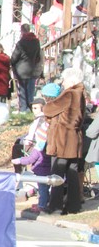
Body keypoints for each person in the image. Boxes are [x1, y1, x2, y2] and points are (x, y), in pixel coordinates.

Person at [42, 69, 86, 215]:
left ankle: (56, 205)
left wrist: (47, 109)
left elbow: (49, 109)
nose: (63, 82)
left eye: (64, 79)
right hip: (74, 138)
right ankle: (74, 206)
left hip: (63, 139)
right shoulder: (81, 94)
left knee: (58, 173)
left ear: (72, 80)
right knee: (72, 173)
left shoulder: (69, 94)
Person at [12, 96, 51, 213]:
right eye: (33, 108)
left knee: (43, 188)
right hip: (46, 165)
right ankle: (44, 202)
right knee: (46, 188)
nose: (34, 110)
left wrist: (18, 160)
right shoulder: (43, 121)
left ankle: (42, 205)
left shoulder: (41, 121)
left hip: (39, 165)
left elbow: (30, 159)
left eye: (36, 108)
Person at [10, 23, 43, 112]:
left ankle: (23, 109)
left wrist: (12, 64)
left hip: (21, 71)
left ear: (22, 31)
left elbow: (14, 57)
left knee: (22, 91)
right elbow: (38, 56)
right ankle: (30, 108)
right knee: (31, 90)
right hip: (32, 69)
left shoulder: (21, 43)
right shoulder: (36, 42)